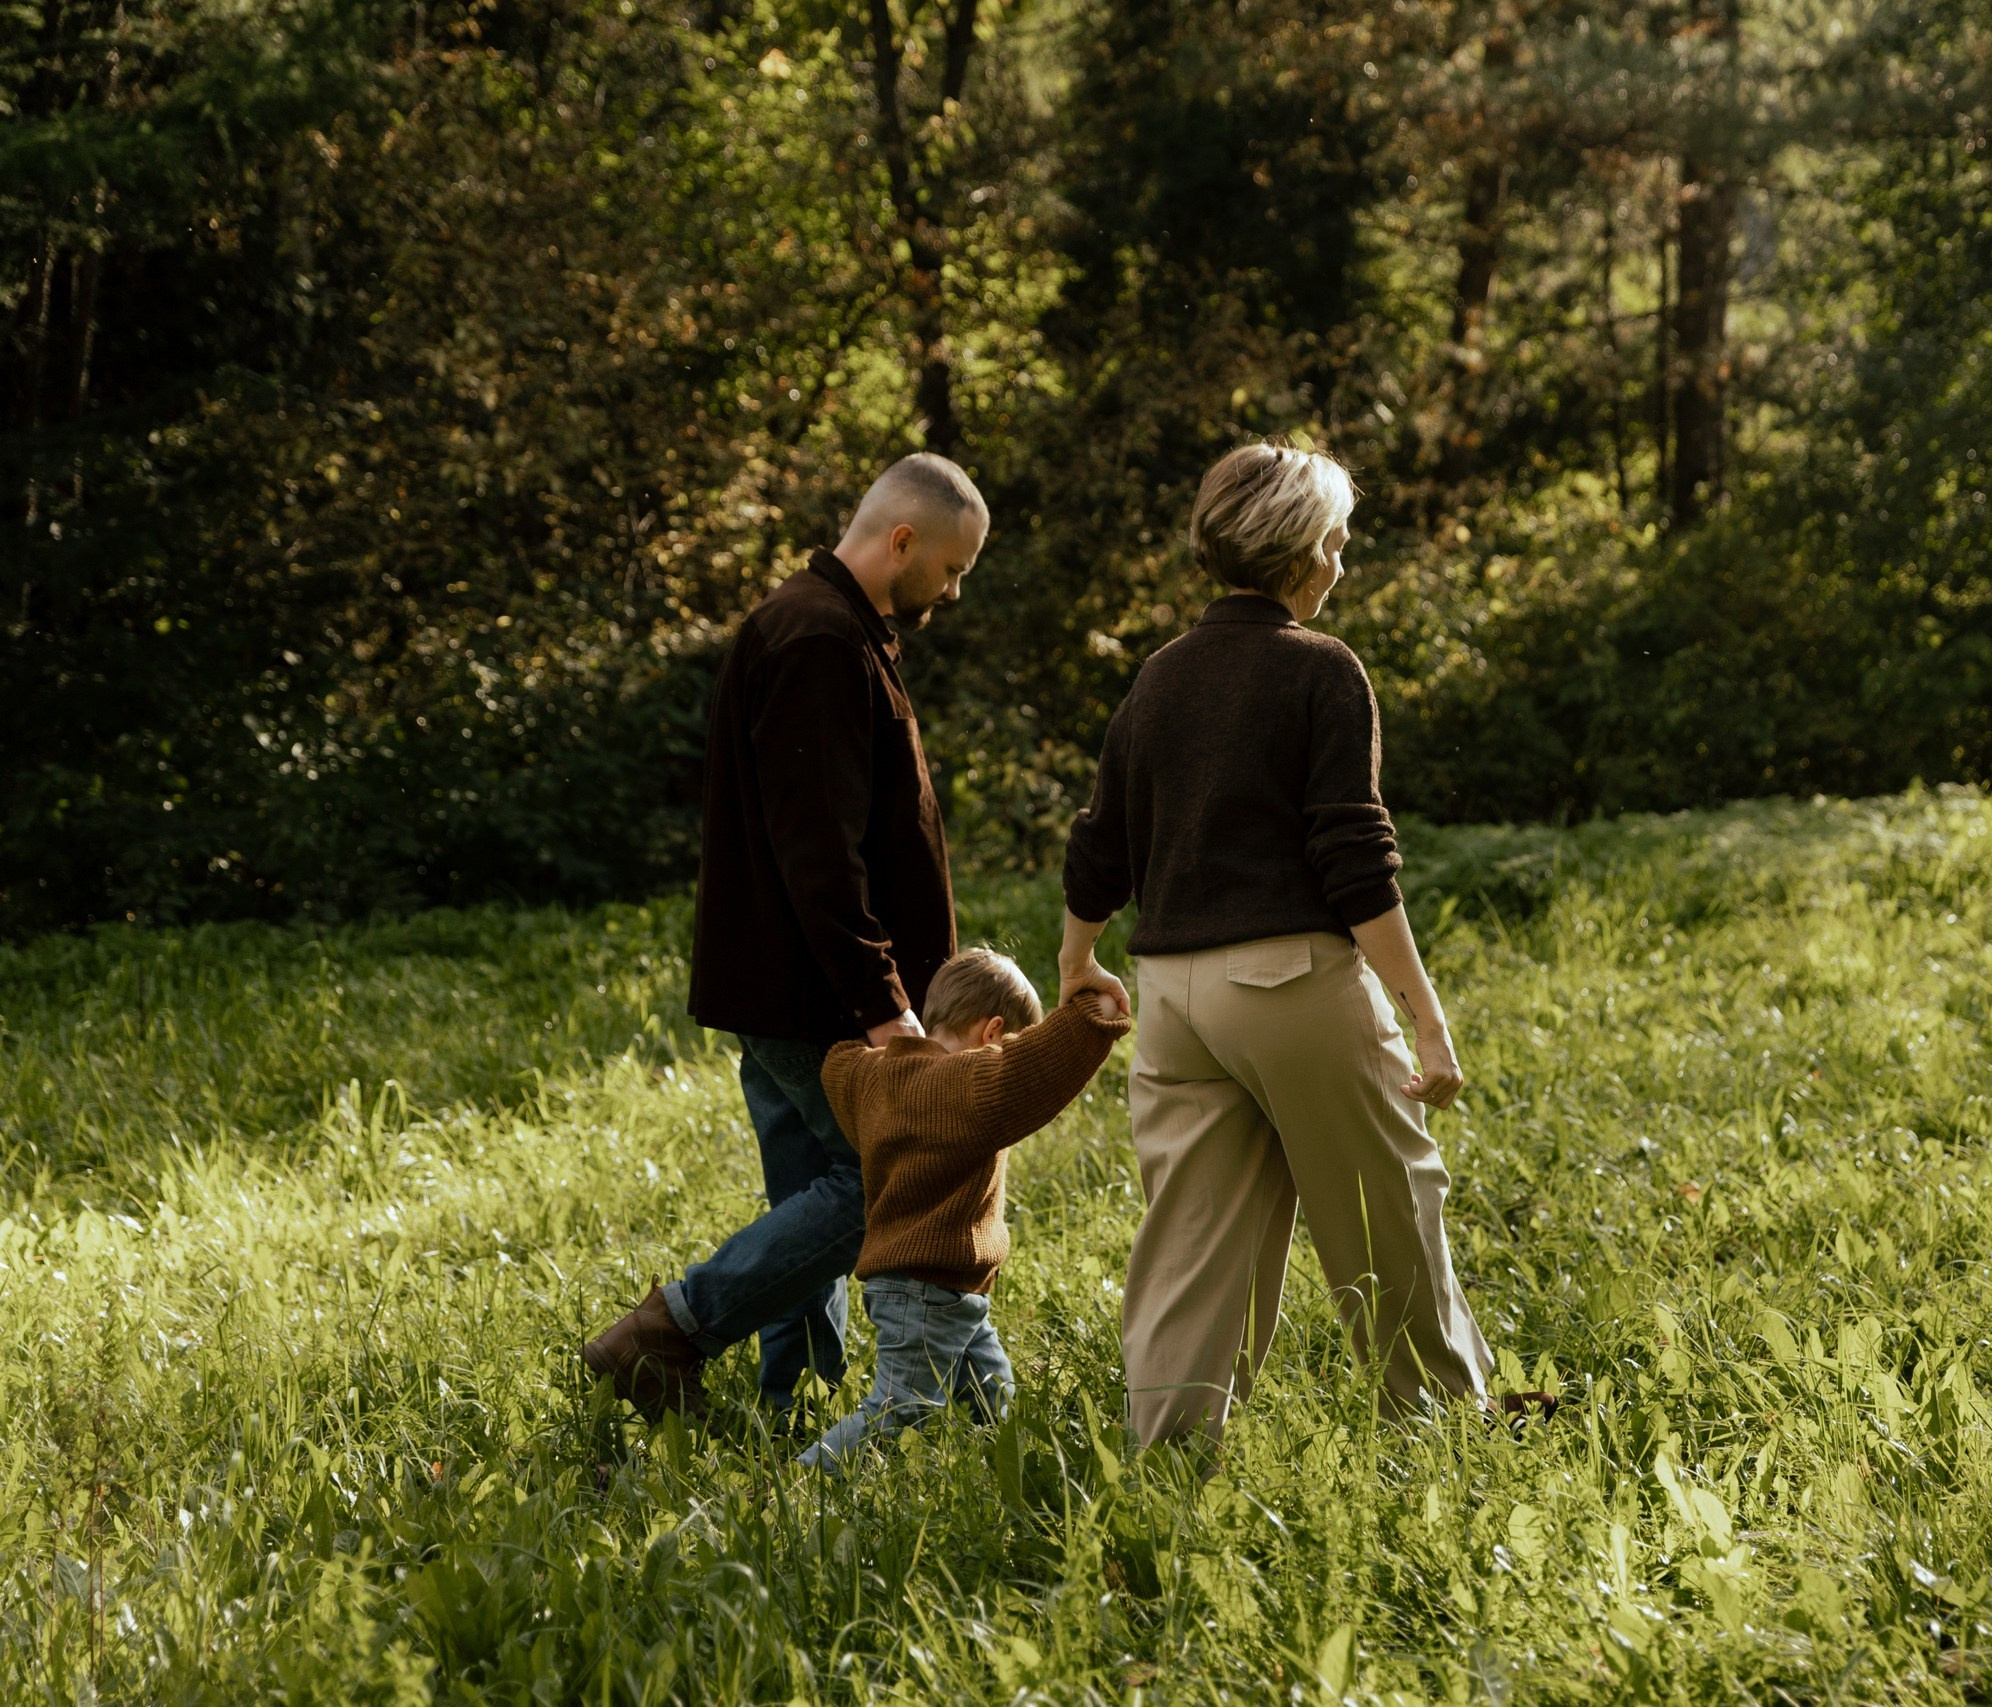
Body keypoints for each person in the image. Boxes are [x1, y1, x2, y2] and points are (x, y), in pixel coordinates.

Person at [1058, 442, 1536, 1446]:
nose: (1342, 565)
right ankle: (1444, 1429)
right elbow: (1354, 859)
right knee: (1384, 1205)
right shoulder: (1322, 669)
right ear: (1305, 551)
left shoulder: (1158, 678)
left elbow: (1100, 843)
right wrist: (1425, 1015)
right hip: (1288, 984)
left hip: (1171, 998)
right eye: (1340, 544)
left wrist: (1075, 960)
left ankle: (1166, 1456)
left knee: (1192, 1246)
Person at [582, 453, 985, 1422]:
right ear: (903, 542)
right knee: (889, 1183)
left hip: (789, 986)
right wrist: (885, 1006)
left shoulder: (827, 628)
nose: (954, 592)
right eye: (952, 568)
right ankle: (669, 1331)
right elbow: (819, 851)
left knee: (811, 1191)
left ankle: (794, 1401)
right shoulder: (818, 639)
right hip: (820, 996)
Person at [798, 948, 1131, 1470]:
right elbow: (1039, 1064)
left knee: (994, 1397)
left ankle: (1008, 1474)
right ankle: (801, 1483)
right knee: (898, 1409)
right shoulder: (969, 1083)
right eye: (1010, 1040)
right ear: (994, 1032)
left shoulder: (869, 1077)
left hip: (939, 1290)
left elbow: (838, 1061)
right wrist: (1096, 1014)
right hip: (929, 1287)